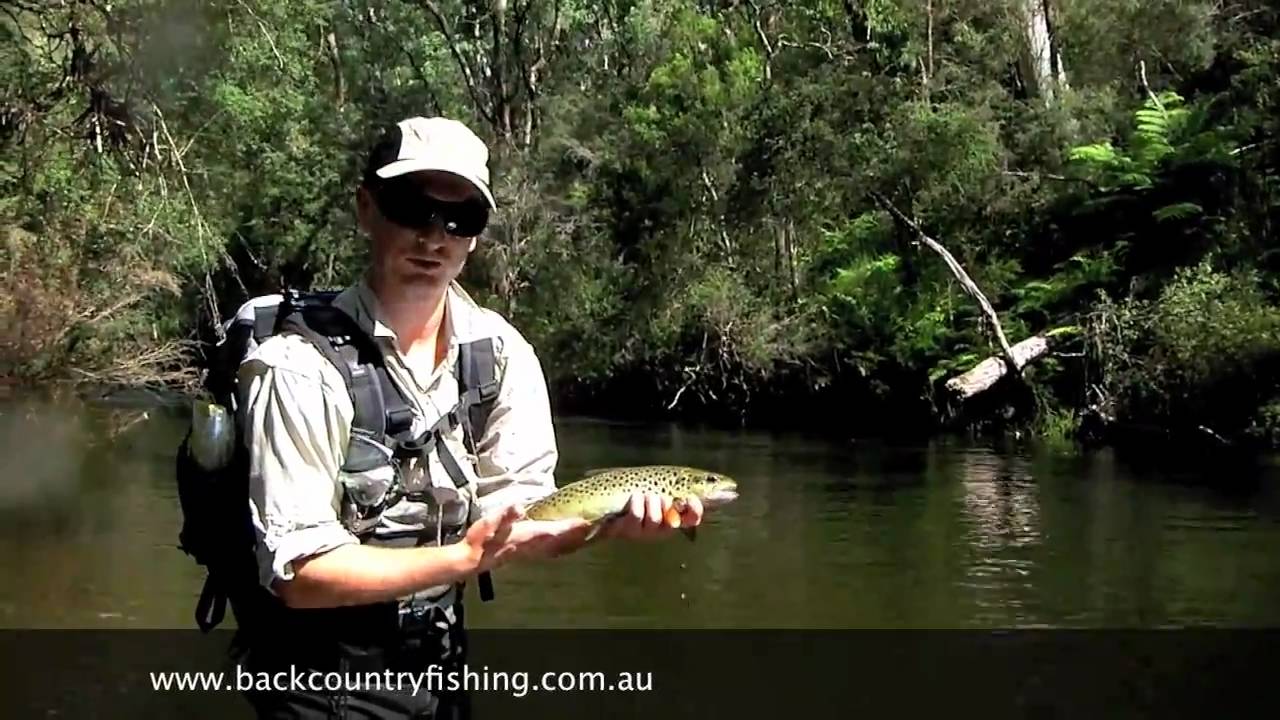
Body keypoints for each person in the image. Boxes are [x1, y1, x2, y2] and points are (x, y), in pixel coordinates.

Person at [227, 116, 703, 718]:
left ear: (476, 235)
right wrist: (459, 560)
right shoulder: (296, 366)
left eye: (460, 218)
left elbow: (526, 521)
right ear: (366, 208)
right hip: (314, 686)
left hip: (441, 676)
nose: (435, 236)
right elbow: (299, 575)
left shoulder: (503, 355)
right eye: (412, 207)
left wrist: (605, 525)